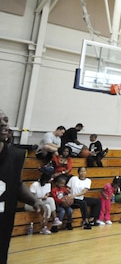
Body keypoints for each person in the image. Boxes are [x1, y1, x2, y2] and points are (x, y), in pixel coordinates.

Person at [0, 110, 42, 262]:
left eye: (5, 119)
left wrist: (34, 200)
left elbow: (16, 184)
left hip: (3, 222)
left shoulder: (17, 156)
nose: (3, 123)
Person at [25, 170, 57, 235]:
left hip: (41, 202)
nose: (52, 180)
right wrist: (42, 197)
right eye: (51, 178)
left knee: (50, 201)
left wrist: (46, 196)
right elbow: (31, 198)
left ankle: (54, 220)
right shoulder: (35, 185)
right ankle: (44, 226)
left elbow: (47, 193)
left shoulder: (48, 184)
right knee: (46, 207)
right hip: (31, 204)